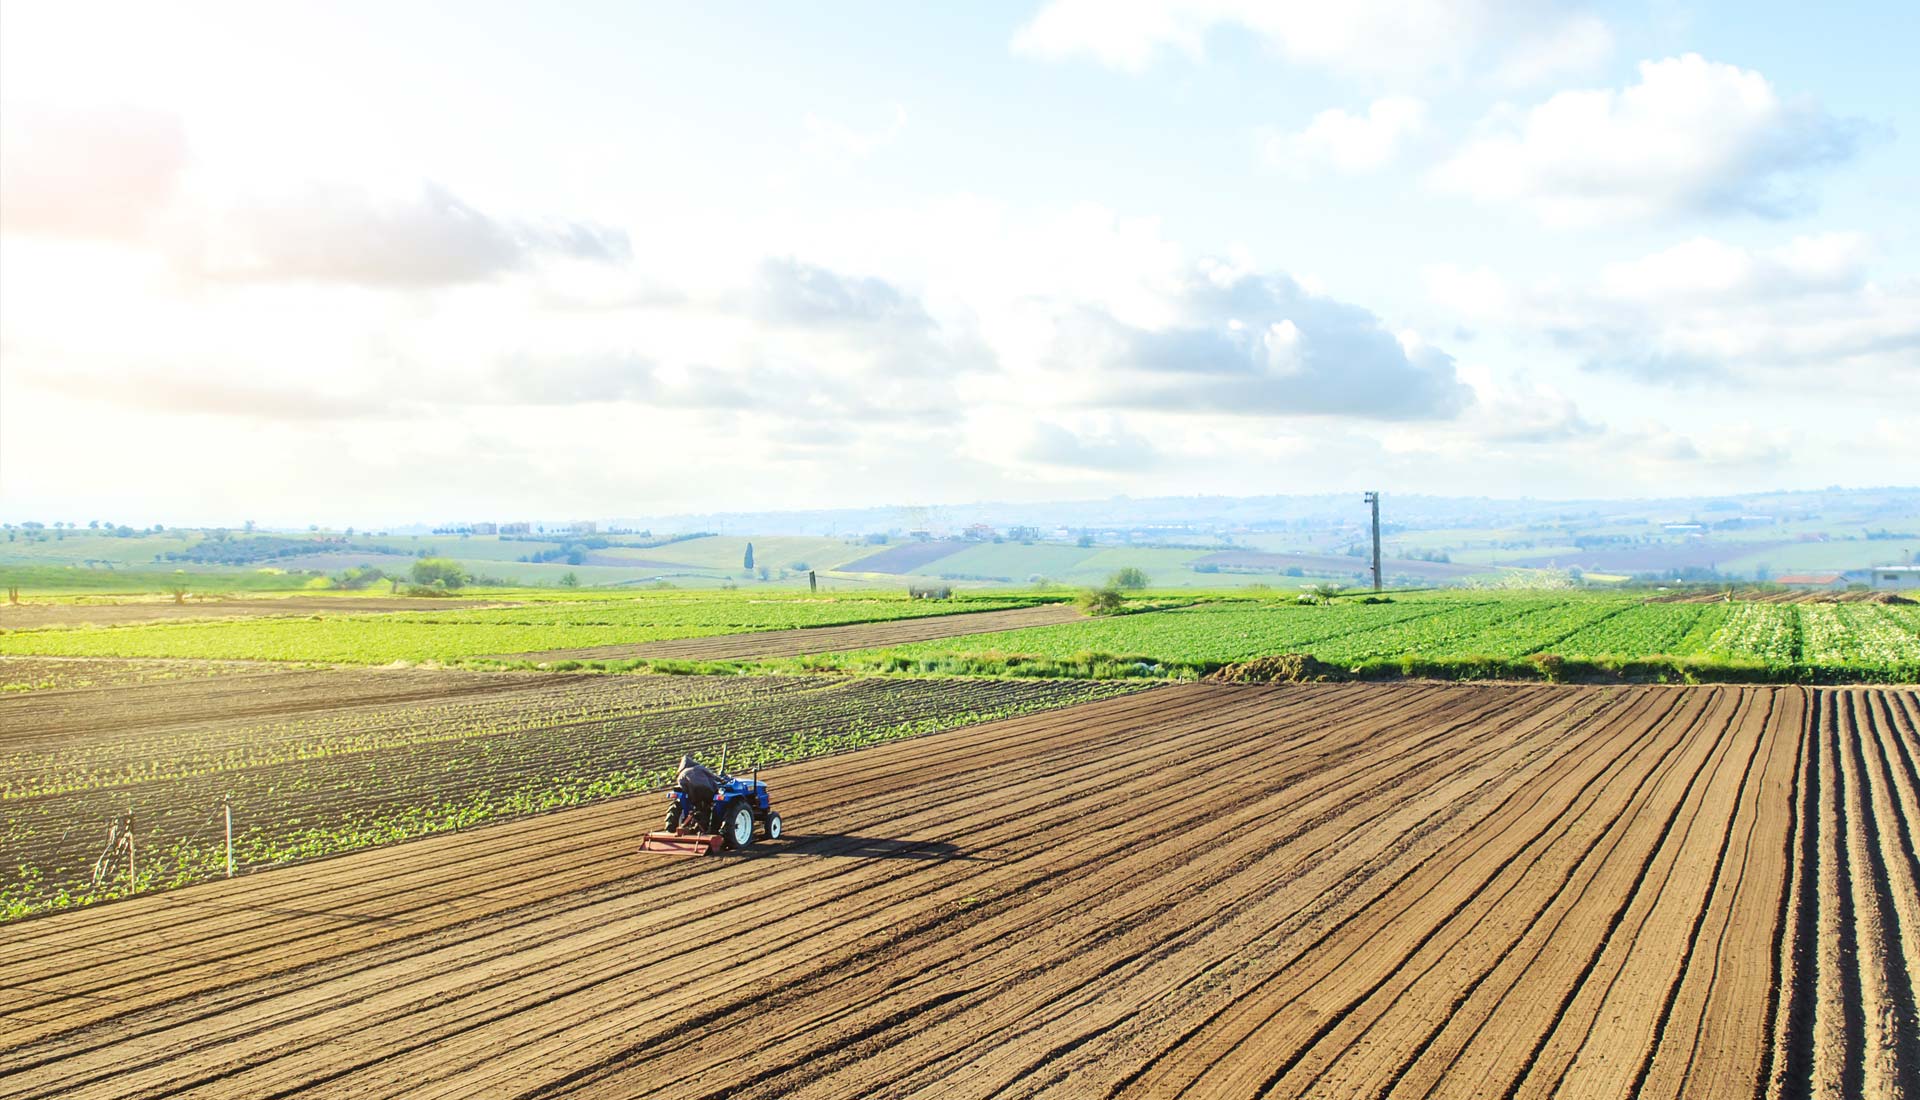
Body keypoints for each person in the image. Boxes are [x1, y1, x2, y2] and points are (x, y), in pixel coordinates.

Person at [674, 753, 722, 830]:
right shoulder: (700, 768)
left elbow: (683, 787)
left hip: (694, 796)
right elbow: (712, 776)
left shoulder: (681, 775)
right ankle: (712, 827)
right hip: (707, 791)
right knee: (713, 805)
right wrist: (721, 780)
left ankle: (695, 822)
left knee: (697, 807)